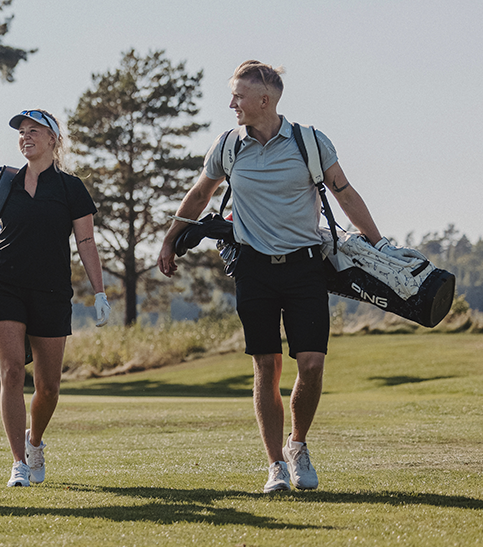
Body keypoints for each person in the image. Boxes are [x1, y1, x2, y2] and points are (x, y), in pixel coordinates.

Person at [158, 61, 384, 493]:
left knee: (312, 364)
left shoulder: (310, 143)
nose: (231, 104)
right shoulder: (229, 145)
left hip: (304, 267)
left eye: (238, 97)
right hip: (253, 269)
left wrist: (378, 243)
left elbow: (345, 191)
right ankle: (275, 465)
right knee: (266, 365)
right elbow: (200, 193)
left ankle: (297, 445)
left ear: (265, 100)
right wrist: (171, 238)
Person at [0, 109, 110, 487]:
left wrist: (99, 291)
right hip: (3, 286)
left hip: (52, 292)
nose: (25, 137)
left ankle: (34, 441)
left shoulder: (71, 188)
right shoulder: (5, 181)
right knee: (11, 372)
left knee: (49, 387)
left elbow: (85, 241)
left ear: (54, 140)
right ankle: (18, 462)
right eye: (21, 132)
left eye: (34, 131)